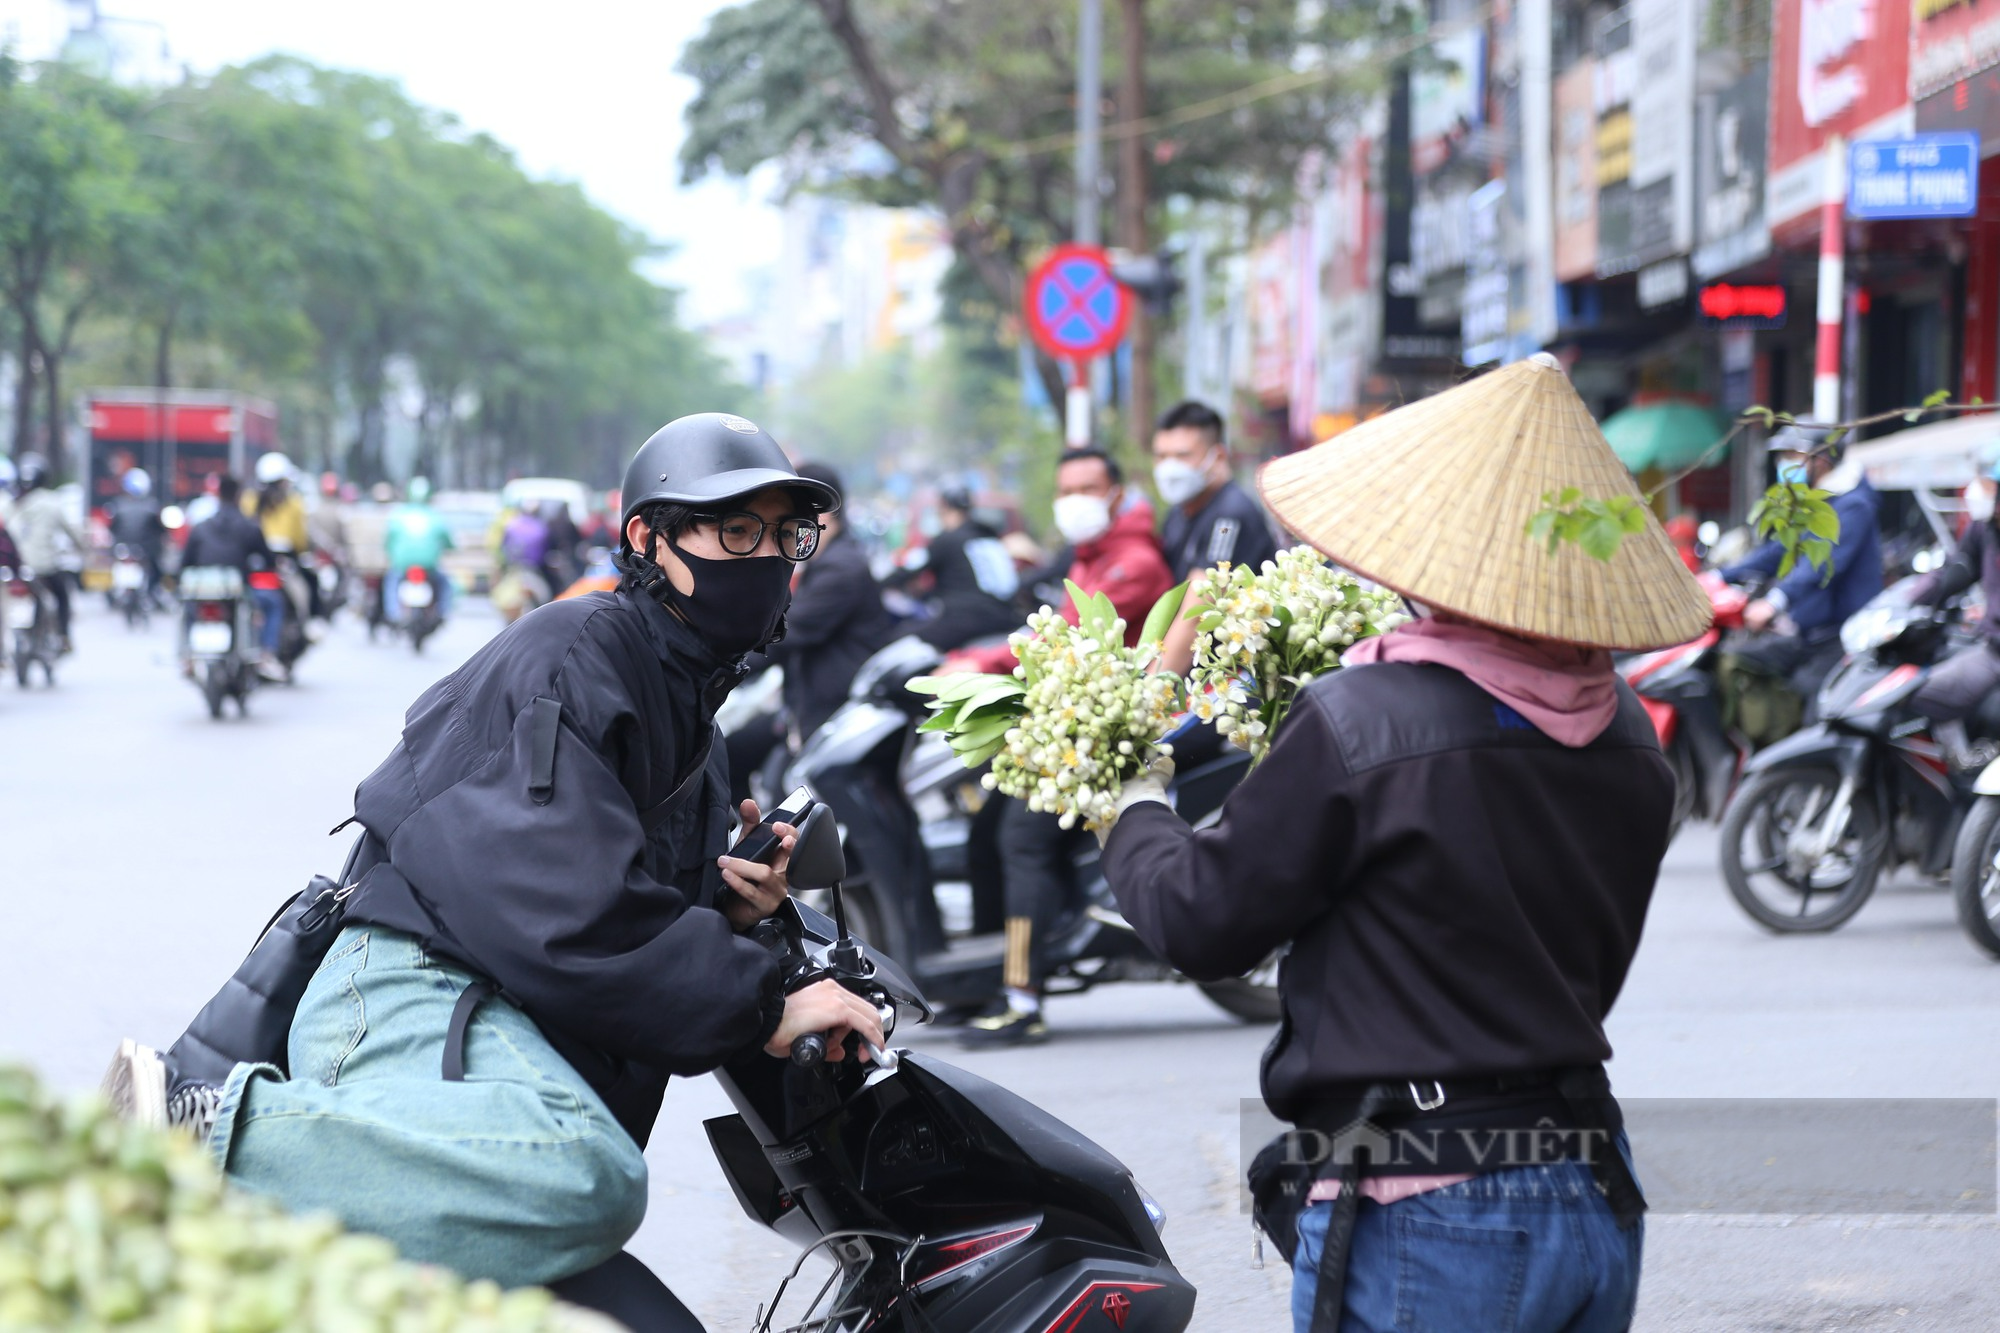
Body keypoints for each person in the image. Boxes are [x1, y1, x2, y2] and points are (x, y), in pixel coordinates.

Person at [104, 414, 884, 1322]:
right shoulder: (580, 650)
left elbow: (607, 891)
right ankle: (193, 1136)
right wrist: (762, 1001)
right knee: (582, 1171)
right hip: (415, 986)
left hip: (502, 1008)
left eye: (786, 535)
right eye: (734, 531)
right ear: (650, 538)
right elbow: (556, 904)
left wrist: (727, 910)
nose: (764, 560)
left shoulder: (694, 721)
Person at [1094, 355, 1703, 1333]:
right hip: (1590, 1181)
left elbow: (1202, 919)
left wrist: (1128, 806)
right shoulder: (1631, 733)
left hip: (1434, 1203)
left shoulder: (1365, 717)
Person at [960, 447, 1175, 1047]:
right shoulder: (1089, 556)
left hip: (1103, 737)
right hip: (1067, 725)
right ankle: (985, 982)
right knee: (988, 829)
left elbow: (1069, 635)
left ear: (1115, 492)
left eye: (1088, 486)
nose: (1075, 499)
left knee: (1020, 841)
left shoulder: (1132, 562)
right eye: (1067, 489)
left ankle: (1023, 998)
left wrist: (978, 660)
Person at [1720, 421, 1883, 706]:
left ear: (1820, 461)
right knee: (1737, 658)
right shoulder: (1814, 504)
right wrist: (1719, 577)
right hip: (1807, 632)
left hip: (1840, 638)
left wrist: (1774, 601)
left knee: (1811, 706)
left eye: (1792, 457)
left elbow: (1818, 566)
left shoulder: (1852, 506)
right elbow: (1776, 552)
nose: (1784, 465)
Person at [766, 461, 898, 741]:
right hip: (821, 701)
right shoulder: (830, 559)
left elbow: (789, 631)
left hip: (837, 709)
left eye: (790, 518)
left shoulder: (841, 569)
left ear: (823, 515)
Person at [1911, 462, 2000, 765]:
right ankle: (1959, 766)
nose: (1978, 492)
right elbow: (1959, 567)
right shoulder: (1984, 527)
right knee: (1923, 691)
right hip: (1992, 651)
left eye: (1988, 485)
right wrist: (1912, 599)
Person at [1151, 400, 1280, 583]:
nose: (1169, 468)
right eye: (1161, 456)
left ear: (1218, 456)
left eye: (1183, 455)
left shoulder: (1229, 518)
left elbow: (1199, 604)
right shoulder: (1178, 513)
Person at [179, 474, 278, 673]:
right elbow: (268, 561)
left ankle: (187, 656)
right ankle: (266, 655)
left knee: (187, 609)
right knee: (273, 602)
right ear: (239, 496)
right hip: (236, 589)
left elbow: (184, 563)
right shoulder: (249, 527)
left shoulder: (201, 527)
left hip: (201, 589)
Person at [913, 487, 1022, 650]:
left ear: (945, 509)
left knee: (905, 640)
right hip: (1005, 618)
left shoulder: (948, 539)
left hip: (967, 621)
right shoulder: (989, 536)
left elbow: (908, 570)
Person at [8, 454, 83, 653]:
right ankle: (63, 636)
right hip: (45, 567)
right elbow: (72, 532)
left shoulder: (12, 503)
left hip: (14, 568)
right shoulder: (52, 502)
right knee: (62, 596)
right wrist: (84, 549)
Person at [383, 476, 454, 623]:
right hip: (428, 566)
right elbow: (447, 541)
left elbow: (388, 542)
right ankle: (442, 611)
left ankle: (394, 613)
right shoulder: (435, 516)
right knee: (445, 584)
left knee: (391, 582)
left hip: (403, 565)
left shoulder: (399, 514)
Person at [107, 467, 167, 606]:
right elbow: (161, 530)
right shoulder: (152, 506)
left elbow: (112, 529)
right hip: (144, 552)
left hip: (123, 550)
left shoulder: (117, 505)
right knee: (157, 570)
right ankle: (153, 593)